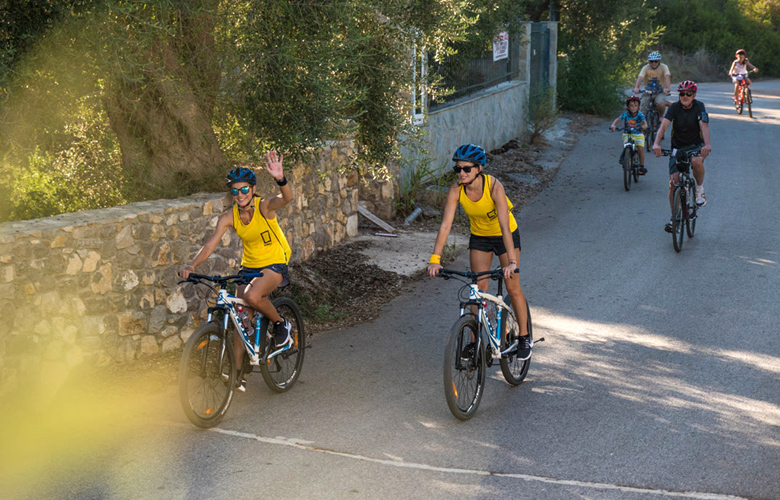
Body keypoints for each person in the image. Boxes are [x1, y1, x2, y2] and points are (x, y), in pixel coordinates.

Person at [179, 151, 293, 391]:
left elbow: (287, 199)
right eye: (235, 191)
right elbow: (210, 244)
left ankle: (281, 324)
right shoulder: (229, 217)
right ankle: (238, 373)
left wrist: (280, 179)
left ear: (252, 189)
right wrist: (192, 265)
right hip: (249, 265)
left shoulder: (265, 207)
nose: (239, 195)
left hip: (275, 261)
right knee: (241, 317)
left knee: (252, 297)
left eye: (244, 189)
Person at [427, 144, 531, 359]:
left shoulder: (494, 187)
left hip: (505, 236)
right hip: (480, 238)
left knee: (513, 287)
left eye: (467, 169)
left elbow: (504, 226)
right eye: (458, 169)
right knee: (478, 289)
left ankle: (523, 337)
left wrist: (511, 262)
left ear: (479, 168)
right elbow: (445, 226)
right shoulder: (457, 190)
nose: (462, 173)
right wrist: (435, 259)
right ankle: (475, 342)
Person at [652, 81, 712, 232]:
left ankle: (699, 189)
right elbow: (664, 125)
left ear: (694, 95)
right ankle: (675, 218)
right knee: (674, 182)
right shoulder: (674, 108)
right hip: (677, 148)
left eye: (688, 94)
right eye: (682, 94)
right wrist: (656, 143)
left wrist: (707, 145)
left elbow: (703, 126)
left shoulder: (700, 106)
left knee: (696, 161)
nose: (684, 96)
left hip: (695, 146)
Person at [610, 96, 649, 174]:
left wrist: (644, 126)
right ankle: (625, 156)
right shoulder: (626, 114)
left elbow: (644, 122)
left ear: (638, 107)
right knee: (627, 146)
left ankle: (641, 166)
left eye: (635, 106)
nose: (633, 108)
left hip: (638, 134)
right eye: (631, 105)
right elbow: (618, 119)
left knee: (640, 148)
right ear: (628, 106)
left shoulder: (640, 114)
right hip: (627, 133)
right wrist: (613, 125)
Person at [633, 51, 671, 122]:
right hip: (647, 91)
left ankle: (661, 116)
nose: (653, 63)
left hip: (660, 91)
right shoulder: (645, 68)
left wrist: (667, 88)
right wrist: (636, 87)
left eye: (655, 61)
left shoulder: (664, 67)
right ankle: (642, 125)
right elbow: (640, 77)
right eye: (651, 61)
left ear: (659, 61)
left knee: (660, 103)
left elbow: (667, 77)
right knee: (643, 107)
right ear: (649, 62)